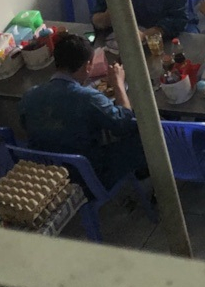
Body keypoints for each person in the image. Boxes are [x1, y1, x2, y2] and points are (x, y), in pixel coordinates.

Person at [20, 33, 146, 187]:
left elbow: (25, 125)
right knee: (146, 135)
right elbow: (123, 124)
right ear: (88, 66)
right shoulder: (88, 98)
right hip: (86, 176)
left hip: (49, 174)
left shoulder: (29, 95)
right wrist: (118, 84)